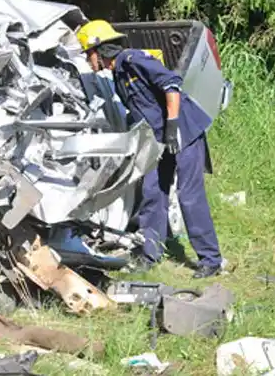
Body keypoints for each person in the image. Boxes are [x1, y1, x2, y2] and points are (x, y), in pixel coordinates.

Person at [75, 19, 224, 279]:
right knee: (153, 192)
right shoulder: (118, 73)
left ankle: (210, 260)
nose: (88, 60)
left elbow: (171, 85)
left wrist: (173, 126)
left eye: (89, 54)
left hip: (183, 131)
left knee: (189, 195)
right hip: (158, 139)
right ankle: (150, 253)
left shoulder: (133, 60)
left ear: (100, 49)